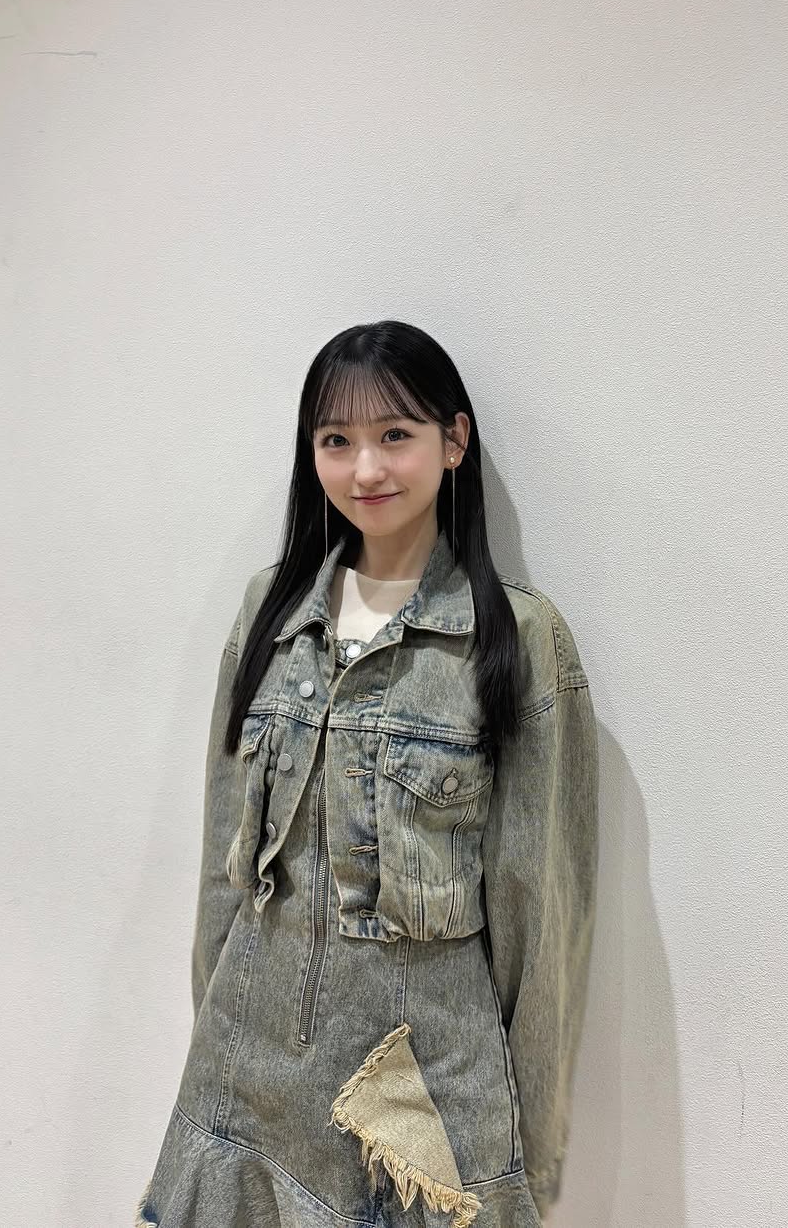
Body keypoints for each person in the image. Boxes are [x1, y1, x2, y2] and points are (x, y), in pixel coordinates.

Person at [136, 320, 599, 1228]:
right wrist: (211, 1034)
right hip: (248, 1067)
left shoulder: (517, 638)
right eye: (336, 440)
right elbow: (225, 871)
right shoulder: (270, 613)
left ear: (453, 440)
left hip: (418, 1090)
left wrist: (531, 1143)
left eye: (395, 433)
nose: (366, 468)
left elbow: (541, 915)